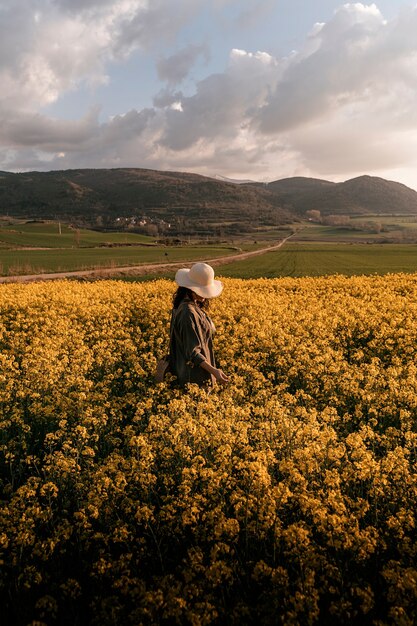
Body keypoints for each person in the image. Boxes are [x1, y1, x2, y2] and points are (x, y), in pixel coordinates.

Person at [169, 262, 229, 387]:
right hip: (194, 379)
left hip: (197, 376)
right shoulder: (188, 313)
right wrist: (214, 372)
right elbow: (192, 353)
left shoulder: (187, 306)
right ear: (190, 289)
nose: (205, 296)